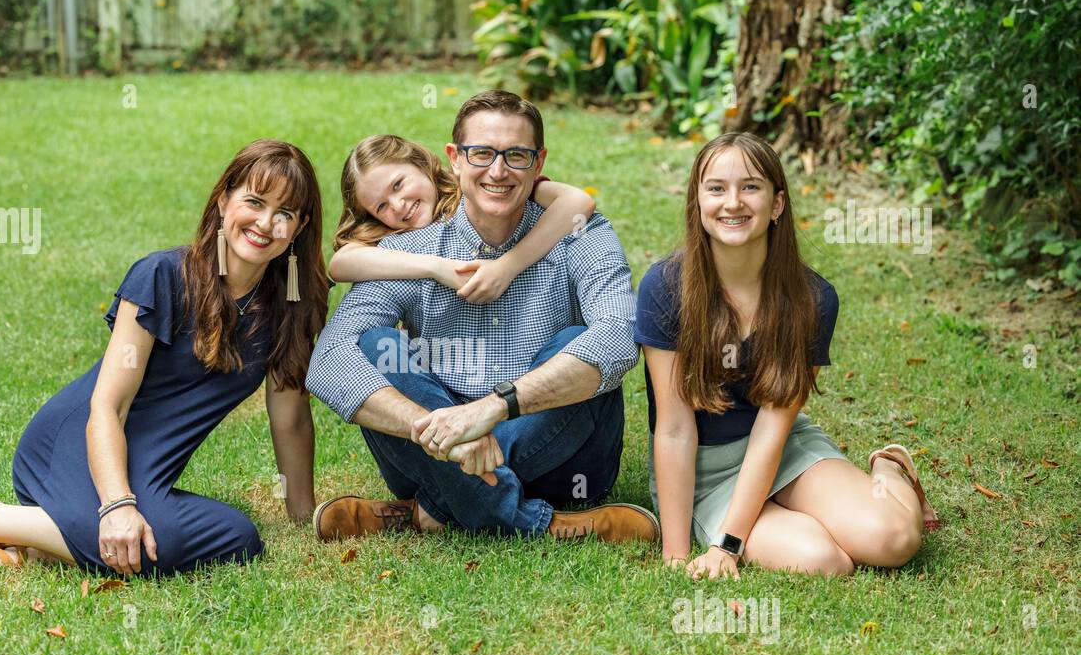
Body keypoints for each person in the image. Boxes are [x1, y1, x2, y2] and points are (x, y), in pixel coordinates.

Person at [0, 139, 329, 579]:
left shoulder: (293, 305)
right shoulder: (162, 276)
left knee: (238, 539)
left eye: (284, 213)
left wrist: (302, 518)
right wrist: (117, 504)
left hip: (148, 467)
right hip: (78, 445)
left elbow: (291, 417)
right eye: (254, 202)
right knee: (141, 535)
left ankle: (32, 548)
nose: (265, 223)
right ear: (224, 200)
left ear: (298, 227)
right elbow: (109, 406)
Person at [307, 90, 657, 544]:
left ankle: (430, 510)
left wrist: (493, 410)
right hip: (440, 438)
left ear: (538, 162)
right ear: (454, 159)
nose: (498, 170)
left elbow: (619, 336)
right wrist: (440, 430)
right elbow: (330, 361)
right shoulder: (407, 252)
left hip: (565, 457)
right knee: (376, 348)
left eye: (516, 155)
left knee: (579, 341)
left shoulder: (578, 231)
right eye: (482, 154)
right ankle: (544, 523)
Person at [638, 131, 939, 581]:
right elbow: (676, 430)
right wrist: (676, 557)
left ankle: (890, 466)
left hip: (782, 448)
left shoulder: (813, 299)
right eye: (716, 188)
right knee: (824, 561)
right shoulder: (664, 288)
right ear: (697, 202)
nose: (732, 202)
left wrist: (730, 545)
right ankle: (791, 512)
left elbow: (772, 429)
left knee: (893, 539)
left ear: (777, 204)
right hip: (704, 468)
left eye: (751, 187)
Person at [330, 133, 596, 303]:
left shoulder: (482, 189)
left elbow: (577, 202)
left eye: (398, 184)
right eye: (381, 206)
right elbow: (341, 263)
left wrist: (508, 266)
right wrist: (436, 267)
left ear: (421, 163)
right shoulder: (394, 234)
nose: (399, 206)